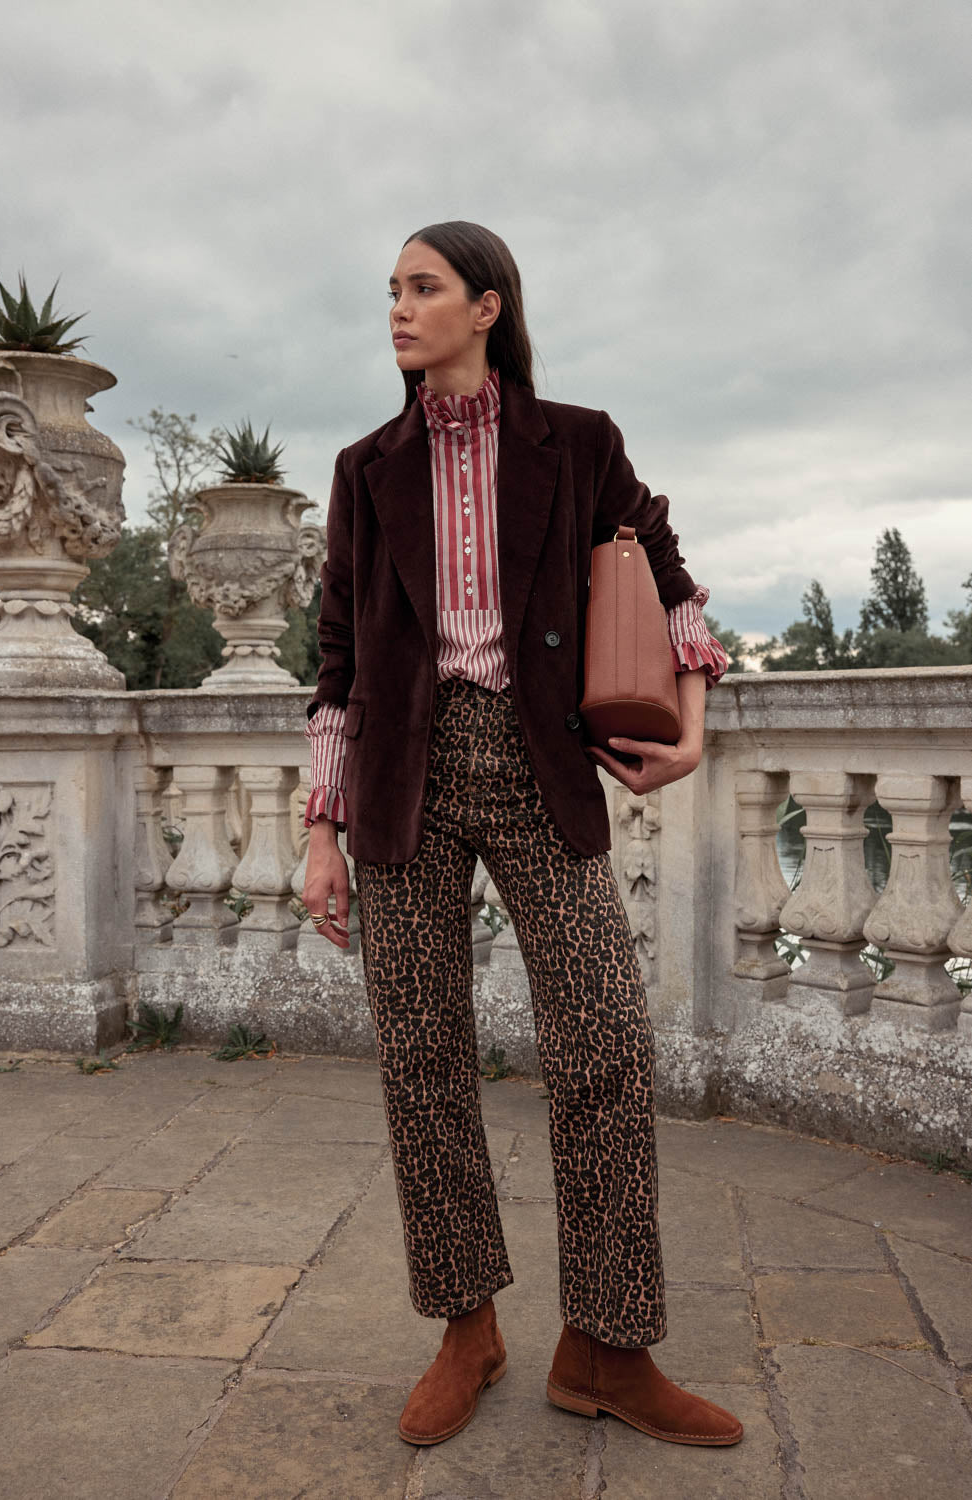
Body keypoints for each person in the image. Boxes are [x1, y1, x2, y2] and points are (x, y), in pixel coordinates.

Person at [301, 220, 742, 1451]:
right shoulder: (362, 467)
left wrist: (692, 723)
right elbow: (334, 666)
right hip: (404, 773)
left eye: (423, 287)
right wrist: (321, 830)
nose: (397, 307)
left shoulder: (576, 442)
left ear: (486, 306)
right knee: (422, 1060)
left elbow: (668, 575)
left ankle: (606, 1345)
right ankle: (467, 1330)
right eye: (390, 289)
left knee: (603, 1038)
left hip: (539, 763)